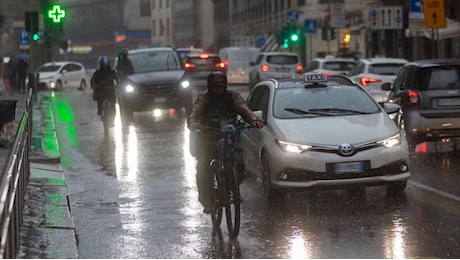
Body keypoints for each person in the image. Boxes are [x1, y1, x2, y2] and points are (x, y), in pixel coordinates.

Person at [187, 71, 264, 214]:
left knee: (240, 166)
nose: (219, 90)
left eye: (221, 87)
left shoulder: (233, 97)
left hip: (230, 140)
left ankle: (231, 189)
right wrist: (192, 123)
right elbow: (194, 113)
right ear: (210, 87)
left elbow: (244, 109)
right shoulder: (203, 99)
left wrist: (253, 120)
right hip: (208, 141)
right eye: (216, 87)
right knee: (203, 169)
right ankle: (208, 201)